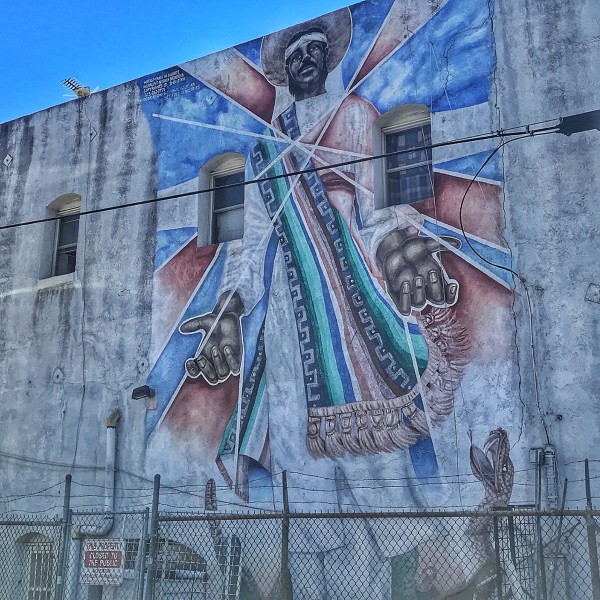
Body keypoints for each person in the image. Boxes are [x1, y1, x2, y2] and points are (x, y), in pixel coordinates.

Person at [180, 10, 469, 599]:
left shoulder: (356, 117)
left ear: (329, 59)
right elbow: (249, 248)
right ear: (285, 72)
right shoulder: (263, 154)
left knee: (377, 464)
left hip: (353, 307)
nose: (307, 59)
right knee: (303, 474)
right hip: (289, 324)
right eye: (296, 55)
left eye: (316, 49)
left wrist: (398, 250)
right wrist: (229, 310)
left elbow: (377, 208)